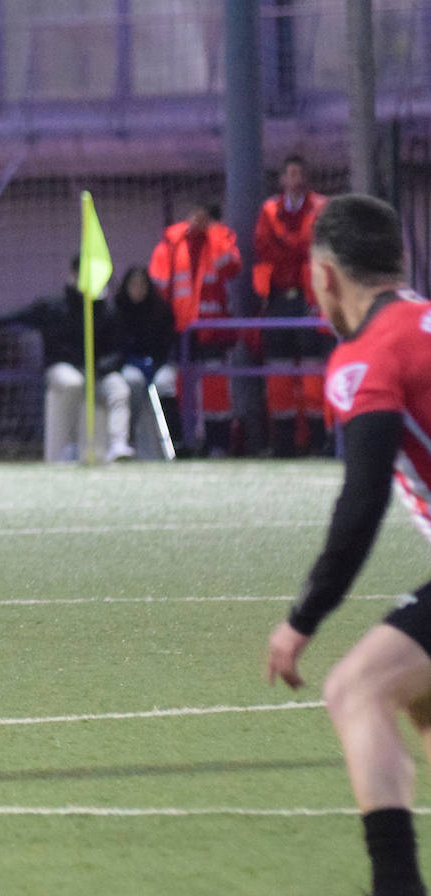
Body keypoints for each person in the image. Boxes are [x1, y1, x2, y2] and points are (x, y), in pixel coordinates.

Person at [266, 194, 431, 896]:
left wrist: (301, 621)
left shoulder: (366, 356)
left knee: (354, 689)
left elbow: (361, 502)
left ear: (327, 276)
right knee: (422, 697)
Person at [0, 255, 133, 463]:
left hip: (98, 372)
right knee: (73, 383)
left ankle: (118, 444)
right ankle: (68, 446)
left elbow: (118, 349)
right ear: (73, 274)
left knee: (119, 388)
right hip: (62, 367)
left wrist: (102, 368)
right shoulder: (53, 305)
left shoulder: (106, 309)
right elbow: (21, 315)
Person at [148, 200, 243, 456]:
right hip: (179, 332)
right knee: (169, 385)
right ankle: (178, 444)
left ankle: (217, 445)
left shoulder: (220, 240)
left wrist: (214, 232)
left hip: (212, 332)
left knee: (215, 391)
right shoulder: (173, 241)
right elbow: (157, 280)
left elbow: (231, 265)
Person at [253, 154, 331, 456]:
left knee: (314, 373)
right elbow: (264, 247)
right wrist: (296, 248)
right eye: (291, 173)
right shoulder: (269, 210)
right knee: (278, 372)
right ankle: (283, 444)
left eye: (301, 173)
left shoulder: (321, 208)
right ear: (282, 179)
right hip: (278, 297)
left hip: (311, 297)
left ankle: (318, 441)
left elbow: (318, 245)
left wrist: (289, 246)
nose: (296, 179)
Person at [111, 265, 181, 456]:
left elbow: (167, 343)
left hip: (158, 363)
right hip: (130, 364)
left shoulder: (161, 310)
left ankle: (175, 440)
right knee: (132, 381)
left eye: (142, 285)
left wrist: (154, 362)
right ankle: (129, 436)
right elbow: (117, 345)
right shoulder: (118, 311)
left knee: (165, 383)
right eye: (133, 285)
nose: (138, 289)